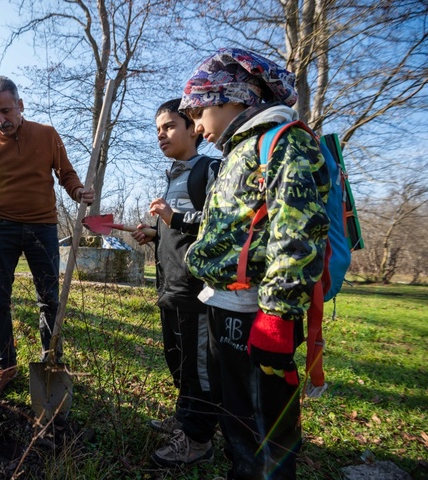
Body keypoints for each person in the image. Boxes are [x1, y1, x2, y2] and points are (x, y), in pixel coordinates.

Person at [180, 48, 330, 479]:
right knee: (237, 418)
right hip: (226, 305)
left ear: (233, 98)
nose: (197, 126)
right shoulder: (239, 152)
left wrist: (278, 316)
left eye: (199, 111)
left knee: (263, 429)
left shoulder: (283, 141)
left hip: (257, 315)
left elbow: (298, 230)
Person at [0, 75, 94, 397]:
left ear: (20, 105)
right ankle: (5, 364)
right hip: (4, 229)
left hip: (44, 227)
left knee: (49, 300)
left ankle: (51, 361)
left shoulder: (47, 135)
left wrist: (78, 190)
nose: (1, 118)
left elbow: (65, 173)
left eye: (7, 110)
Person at [130, 98, 220, 467]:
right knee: (177, 360)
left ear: (193, 127)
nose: (161, 135)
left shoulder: (209, 169)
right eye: (157, 130)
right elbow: (179, 231)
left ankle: (198, 439)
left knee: (198, 367)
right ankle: (184, 419)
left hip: (198, 290)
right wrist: (154, 233)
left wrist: (175, 217)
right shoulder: (174, 175)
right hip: (169, 286)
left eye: (168, 126)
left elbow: (219, 223)